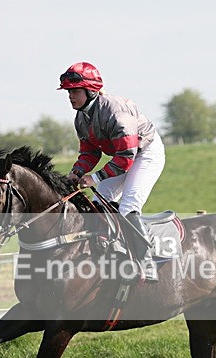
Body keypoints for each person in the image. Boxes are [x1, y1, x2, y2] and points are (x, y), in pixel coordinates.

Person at [59, 61, 166, 282]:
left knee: (128, 206)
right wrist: (76, 173)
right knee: (100, 202)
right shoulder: (81, 118)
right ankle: (112, 251)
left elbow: (127, 157)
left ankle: (147, 263)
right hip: (125, 157)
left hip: (146, 154)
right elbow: (90, 153)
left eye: (75, 91)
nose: (70, 96)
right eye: (68, 92)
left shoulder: (115, 111)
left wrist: (95, 177)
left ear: (90, 91)